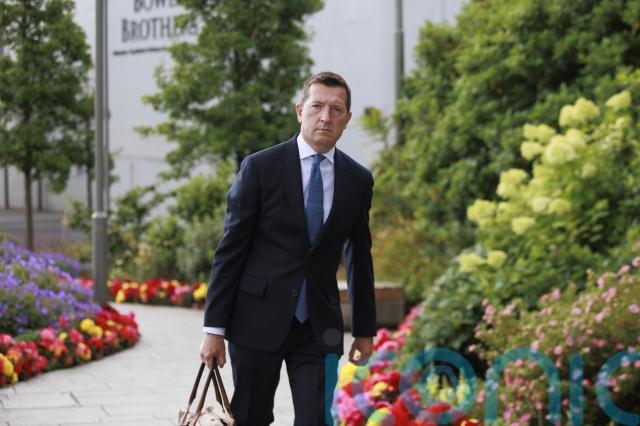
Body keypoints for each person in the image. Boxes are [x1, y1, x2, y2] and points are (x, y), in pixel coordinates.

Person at [199, 71, 376, 426]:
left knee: (316, 421)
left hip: (318, 327)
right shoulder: (260, 168)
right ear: (300, 110)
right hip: (255, 320)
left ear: (347, 119)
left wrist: (364, 330)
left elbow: (359, 255)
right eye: (317, 106)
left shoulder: (358, 180)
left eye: (336, 109)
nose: (325, 117)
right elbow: (230, 249)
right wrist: (213, 329)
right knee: (250, 417)